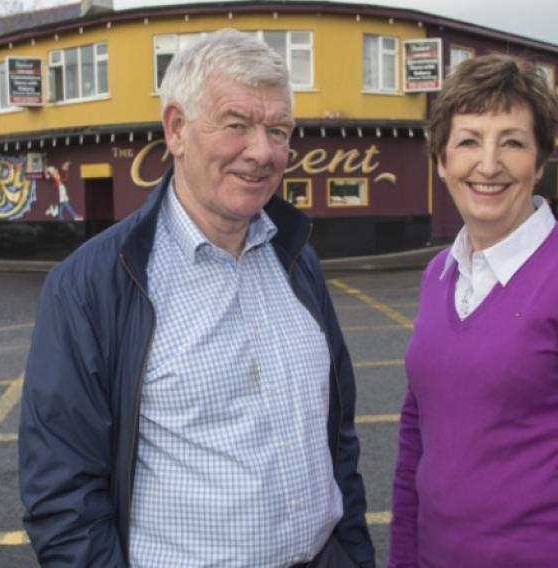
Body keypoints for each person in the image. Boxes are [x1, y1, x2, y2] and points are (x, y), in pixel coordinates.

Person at [19, 29, 374, 568]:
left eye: (278, 130)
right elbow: (62, 494)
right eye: (236, 125)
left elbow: (337, 438)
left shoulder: (298, 259)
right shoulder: (90, 284)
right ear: (176, 129)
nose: (262, 152)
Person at [389, 54, 558, 567]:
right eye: (468, 141)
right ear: (441, 161)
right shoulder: (439, 272)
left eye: (512, 142)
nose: (489, 165)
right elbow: (415, 439)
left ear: (539, 162)